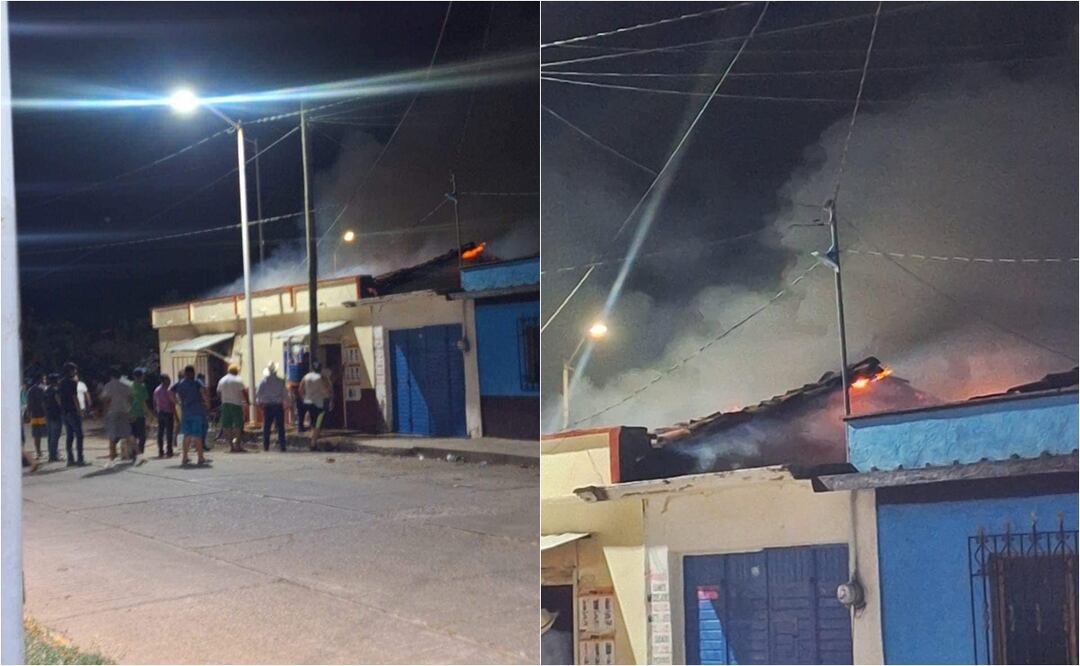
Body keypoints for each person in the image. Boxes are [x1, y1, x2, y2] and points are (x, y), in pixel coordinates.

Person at [101, 367, 142, 466]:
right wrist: (129, 408)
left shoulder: (108, 385)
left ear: (111, 376)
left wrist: (104, 412)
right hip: (124, 411)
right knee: (128, 434)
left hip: (112, 412)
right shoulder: (126, 385)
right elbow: (131, 398)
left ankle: (112, 458)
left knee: (112, 435)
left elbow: (105, 399)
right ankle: (139, 455)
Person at [171, 365, 210, 466]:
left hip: (185, 412)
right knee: (197, 435)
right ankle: (200, 457)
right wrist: (207, 402)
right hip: (196, 412)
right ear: (193, 372)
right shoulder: (196, 382)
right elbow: (203, 392)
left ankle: (184, 457)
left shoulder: (180, 383)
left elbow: (170, 391)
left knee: (187, 435)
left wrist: (177, 402)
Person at [298, 361, 332, 451]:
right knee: (318, 424)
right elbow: (327, 389)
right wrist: (330, 397)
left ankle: (312, 440)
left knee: (313, 423)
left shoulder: (306, 377)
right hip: (319, 404)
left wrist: (303, 398)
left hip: (308, 402)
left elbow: (300, 389)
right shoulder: (321, 377)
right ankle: (313, 444)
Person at [216, 364, 249, 453]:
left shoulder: (222, 380)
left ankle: (231, 446)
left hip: (225, 404)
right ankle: (237, 444)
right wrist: (247, 401)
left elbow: (218, 393)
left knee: (227, 425)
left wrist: (223, 399)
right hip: (236, 404)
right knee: (238, 424)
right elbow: (244, 392)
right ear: (236, 371)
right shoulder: (238, 380)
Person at [58, 362, 86, 467]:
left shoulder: (60, 383)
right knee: (79, 435)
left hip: (64, 412)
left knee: (69, 436)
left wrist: (62, 408)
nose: (75, 372)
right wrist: (80, 410)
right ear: (70, 371)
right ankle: (80, 459)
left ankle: (70, 459)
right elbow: (75, 398)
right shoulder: (72, 383)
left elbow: (59, 398)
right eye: (74, 370)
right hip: (73, 411)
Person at [256, 362, 288, 452]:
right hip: (278, 406)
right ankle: (282, 446)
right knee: (280, 427)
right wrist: (287, 403)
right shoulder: (281, 381)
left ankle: (266, 446)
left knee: (267, 427)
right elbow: (285, 394)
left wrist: (259, 404)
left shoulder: (263, 382)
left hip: (268, 406)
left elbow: (258, 394)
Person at [129, 368, 153, 456]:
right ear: (140, 376)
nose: (144, 376)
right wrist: (150, 414)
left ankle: (133, 452)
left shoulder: (129, 385)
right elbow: (144, 403)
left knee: (133, 434)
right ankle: (140, 452)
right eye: (143, 375)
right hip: (139, 414)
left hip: (130, 414)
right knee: (142, 435)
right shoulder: (142, 386)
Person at [154, 375, 176, 458]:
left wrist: (156, 412)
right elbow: (171, 403)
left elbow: (154, 402)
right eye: (168, 380)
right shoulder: (168, 390)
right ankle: (169, 450)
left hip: (160, 413)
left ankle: (160, 451)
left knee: (160, 432)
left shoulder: (156, 390)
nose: (170, 381)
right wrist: (175, 415)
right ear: (164, 381)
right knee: (169, 432)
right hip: (168, 413)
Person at [26, 374, 47, 460]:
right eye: (43, 379)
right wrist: (46, 413)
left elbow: (29, 404)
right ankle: (52, 452)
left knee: (36, 434)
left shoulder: (30, 390)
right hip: (42, 414)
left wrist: (28, 414)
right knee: (47, 433)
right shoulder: (41, 389)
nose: (45, 380)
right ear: (40, 380)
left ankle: (38, 452)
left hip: (34, 415)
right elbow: (43, 403)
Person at [44, 373, 63, 462]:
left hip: (48, 415)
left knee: (50, 436)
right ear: (55, 381)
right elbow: (59, 402)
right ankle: (53, 456)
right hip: (56, 415)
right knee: (55, 436)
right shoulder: (56, 390)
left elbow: (43, 403)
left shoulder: (46, 390)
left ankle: (51, 454)